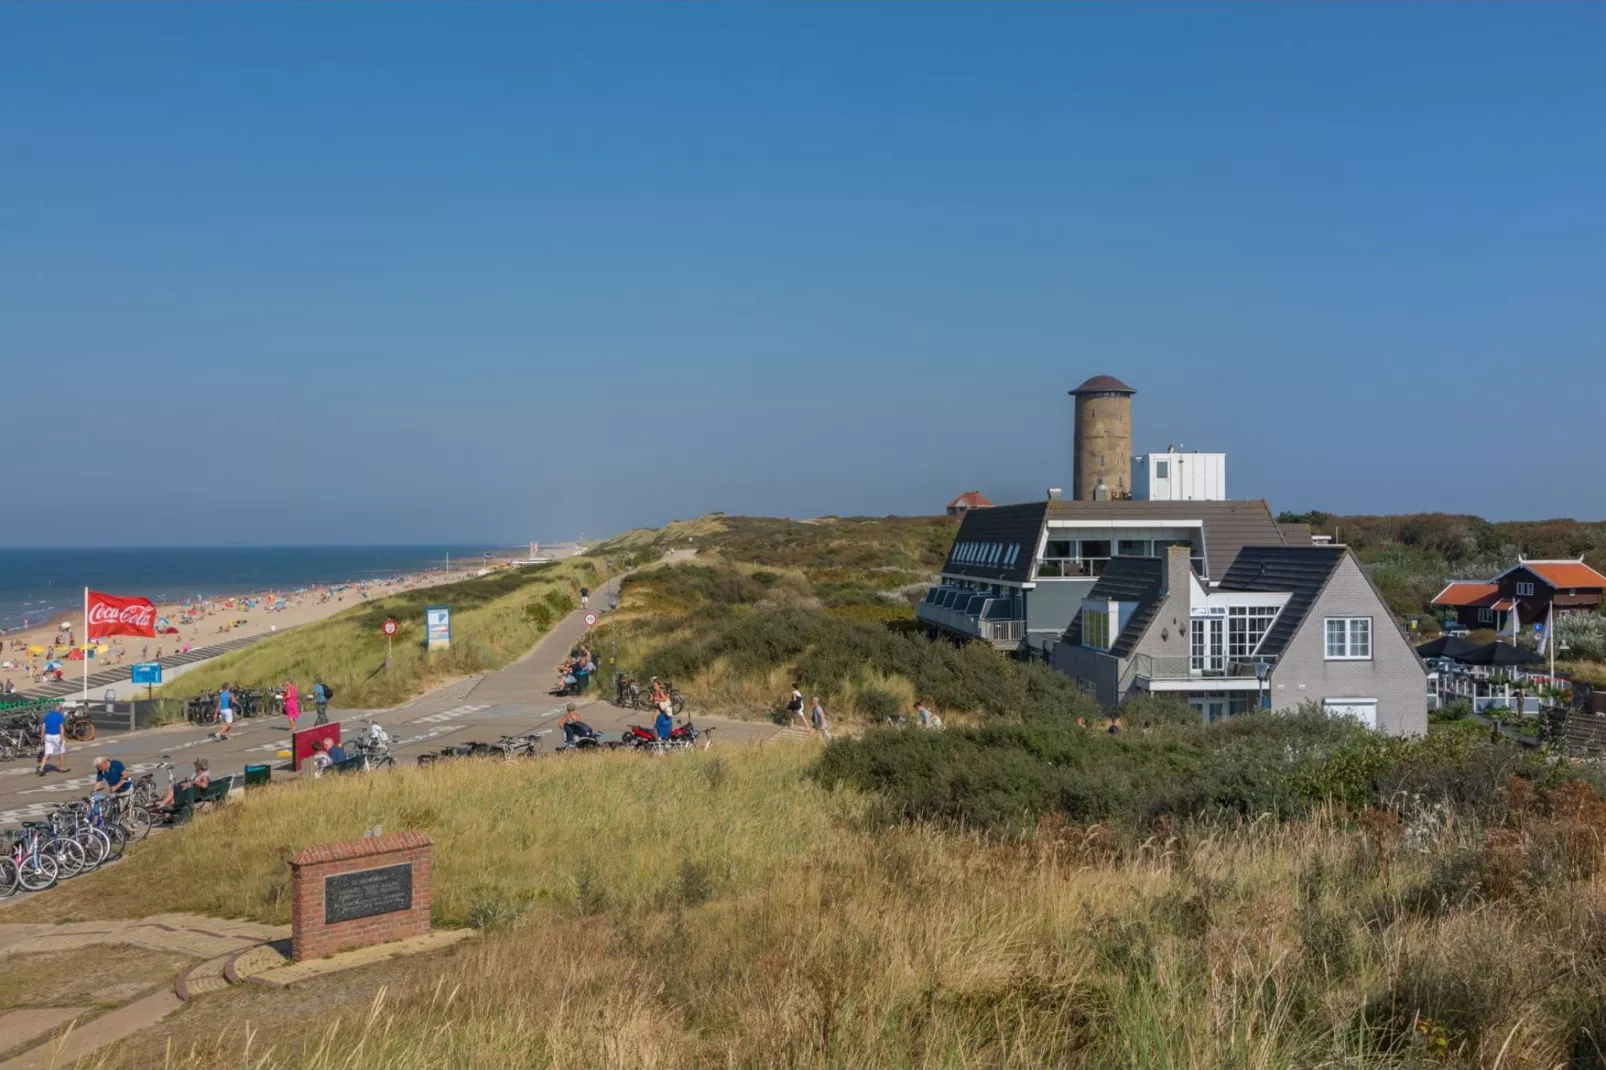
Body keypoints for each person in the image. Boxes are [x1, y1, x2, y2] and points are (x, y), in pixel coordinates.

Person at [38, 706, 68, 776]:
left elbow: (43, 726)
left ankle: (41, 769)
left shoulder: (47, 716)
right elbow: (61, 727)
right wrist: (62, 737)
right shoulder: (59, 716)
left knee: (47, 754)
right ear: (60, 710)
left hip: (48, 736)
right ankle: (62, 768)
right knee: (61, 752)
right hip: (56, 736)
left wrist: (42, 736)